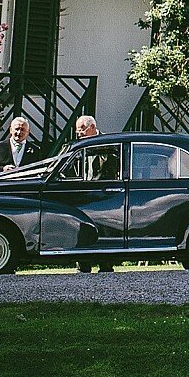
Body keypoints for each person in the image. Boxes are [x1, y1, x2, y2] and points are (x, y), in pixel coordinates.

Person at [70, 115, 114, 273]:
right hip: (84, 194)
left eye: (81, 129)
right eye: (77, 131)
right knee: (82, 229)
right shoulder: (79, 145)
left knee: (105, 229)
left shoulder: (108, 143)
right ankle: (83, 265)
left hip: (104, 194)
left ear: (92, 127)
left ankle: (106, 265)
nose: (79, 133)